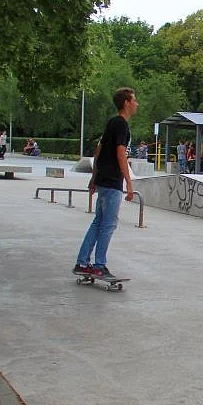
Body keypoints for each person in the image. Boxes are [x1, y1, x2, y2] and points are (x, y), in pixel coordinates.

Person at [73, 87, 137, 279]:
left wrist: (94, 178)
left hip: (103, 180)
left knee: (98, 222)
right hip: (112, 182)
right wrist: (129, 183)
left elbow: (98, 151)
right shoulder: (122, 125)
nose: (136, 104)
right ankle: (99, 265)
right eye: (134, 100)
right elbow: (120, 154)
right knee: (108, 225)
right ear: (126, 102)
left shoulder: (111, 123)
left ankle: (82, 262)